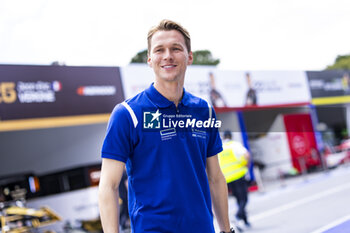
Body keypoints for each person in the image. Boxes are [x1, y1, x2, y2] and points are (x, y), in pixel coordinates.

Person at [98, 19, 234, 233]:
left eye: (176, 48)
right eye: (159, 50)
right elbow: (108, 186)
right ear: (150, 59)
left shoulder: (204, 110)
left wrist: (226, 230)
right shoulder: (127, 114)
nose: (168, 55)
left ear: (189, 57)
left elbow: (215, 177)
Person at [218, 131, 251, 230]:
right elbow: (247, 155)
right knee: (244, 199)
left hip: (227, 178)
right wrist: (247, 165)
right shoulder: (235, 145)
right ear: (231, 136)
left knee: (238, 199)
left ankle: (245, 220)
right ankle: (237, 216)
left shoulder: (221, 147)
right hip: (238, 176)